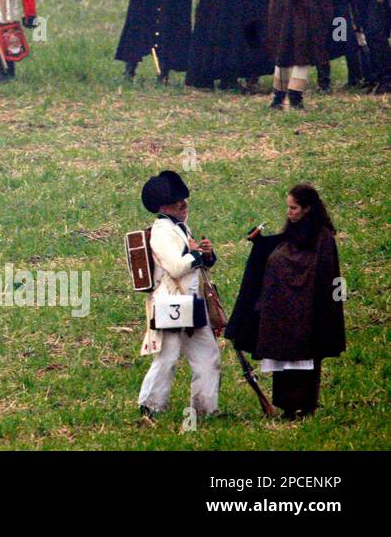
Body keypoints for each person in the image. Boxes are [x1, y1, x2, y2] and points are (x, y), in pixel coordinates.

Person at [224, 184, 345, 419]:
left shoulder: (323, 238)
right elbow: (279, 248)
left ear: (308, 209)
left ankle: (307, 405)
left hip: (307, 311)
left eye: (294, 208)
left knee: (306, 359)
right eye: (288, 208)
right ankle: (287, 407)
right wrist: (260, 246)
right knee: (283, 358)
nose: (289, 213)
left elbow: (323, 274)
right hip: (283, 309)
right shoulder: (293, 232)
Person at [136, 171, 221, 422]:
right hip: (170, 302)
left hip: (192, 302)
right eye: (177, 201)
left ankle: (206, 408)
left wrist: (206, 255)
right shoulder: (162, 231)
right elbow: (175, 266)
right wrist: (195, 255)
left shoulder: (181, 227)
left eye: (184, 199)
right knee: (168, 357)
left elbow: (193, 264)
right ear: (164, 206)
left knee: (208, 355)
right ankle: (149, 405)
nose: (184, 204)